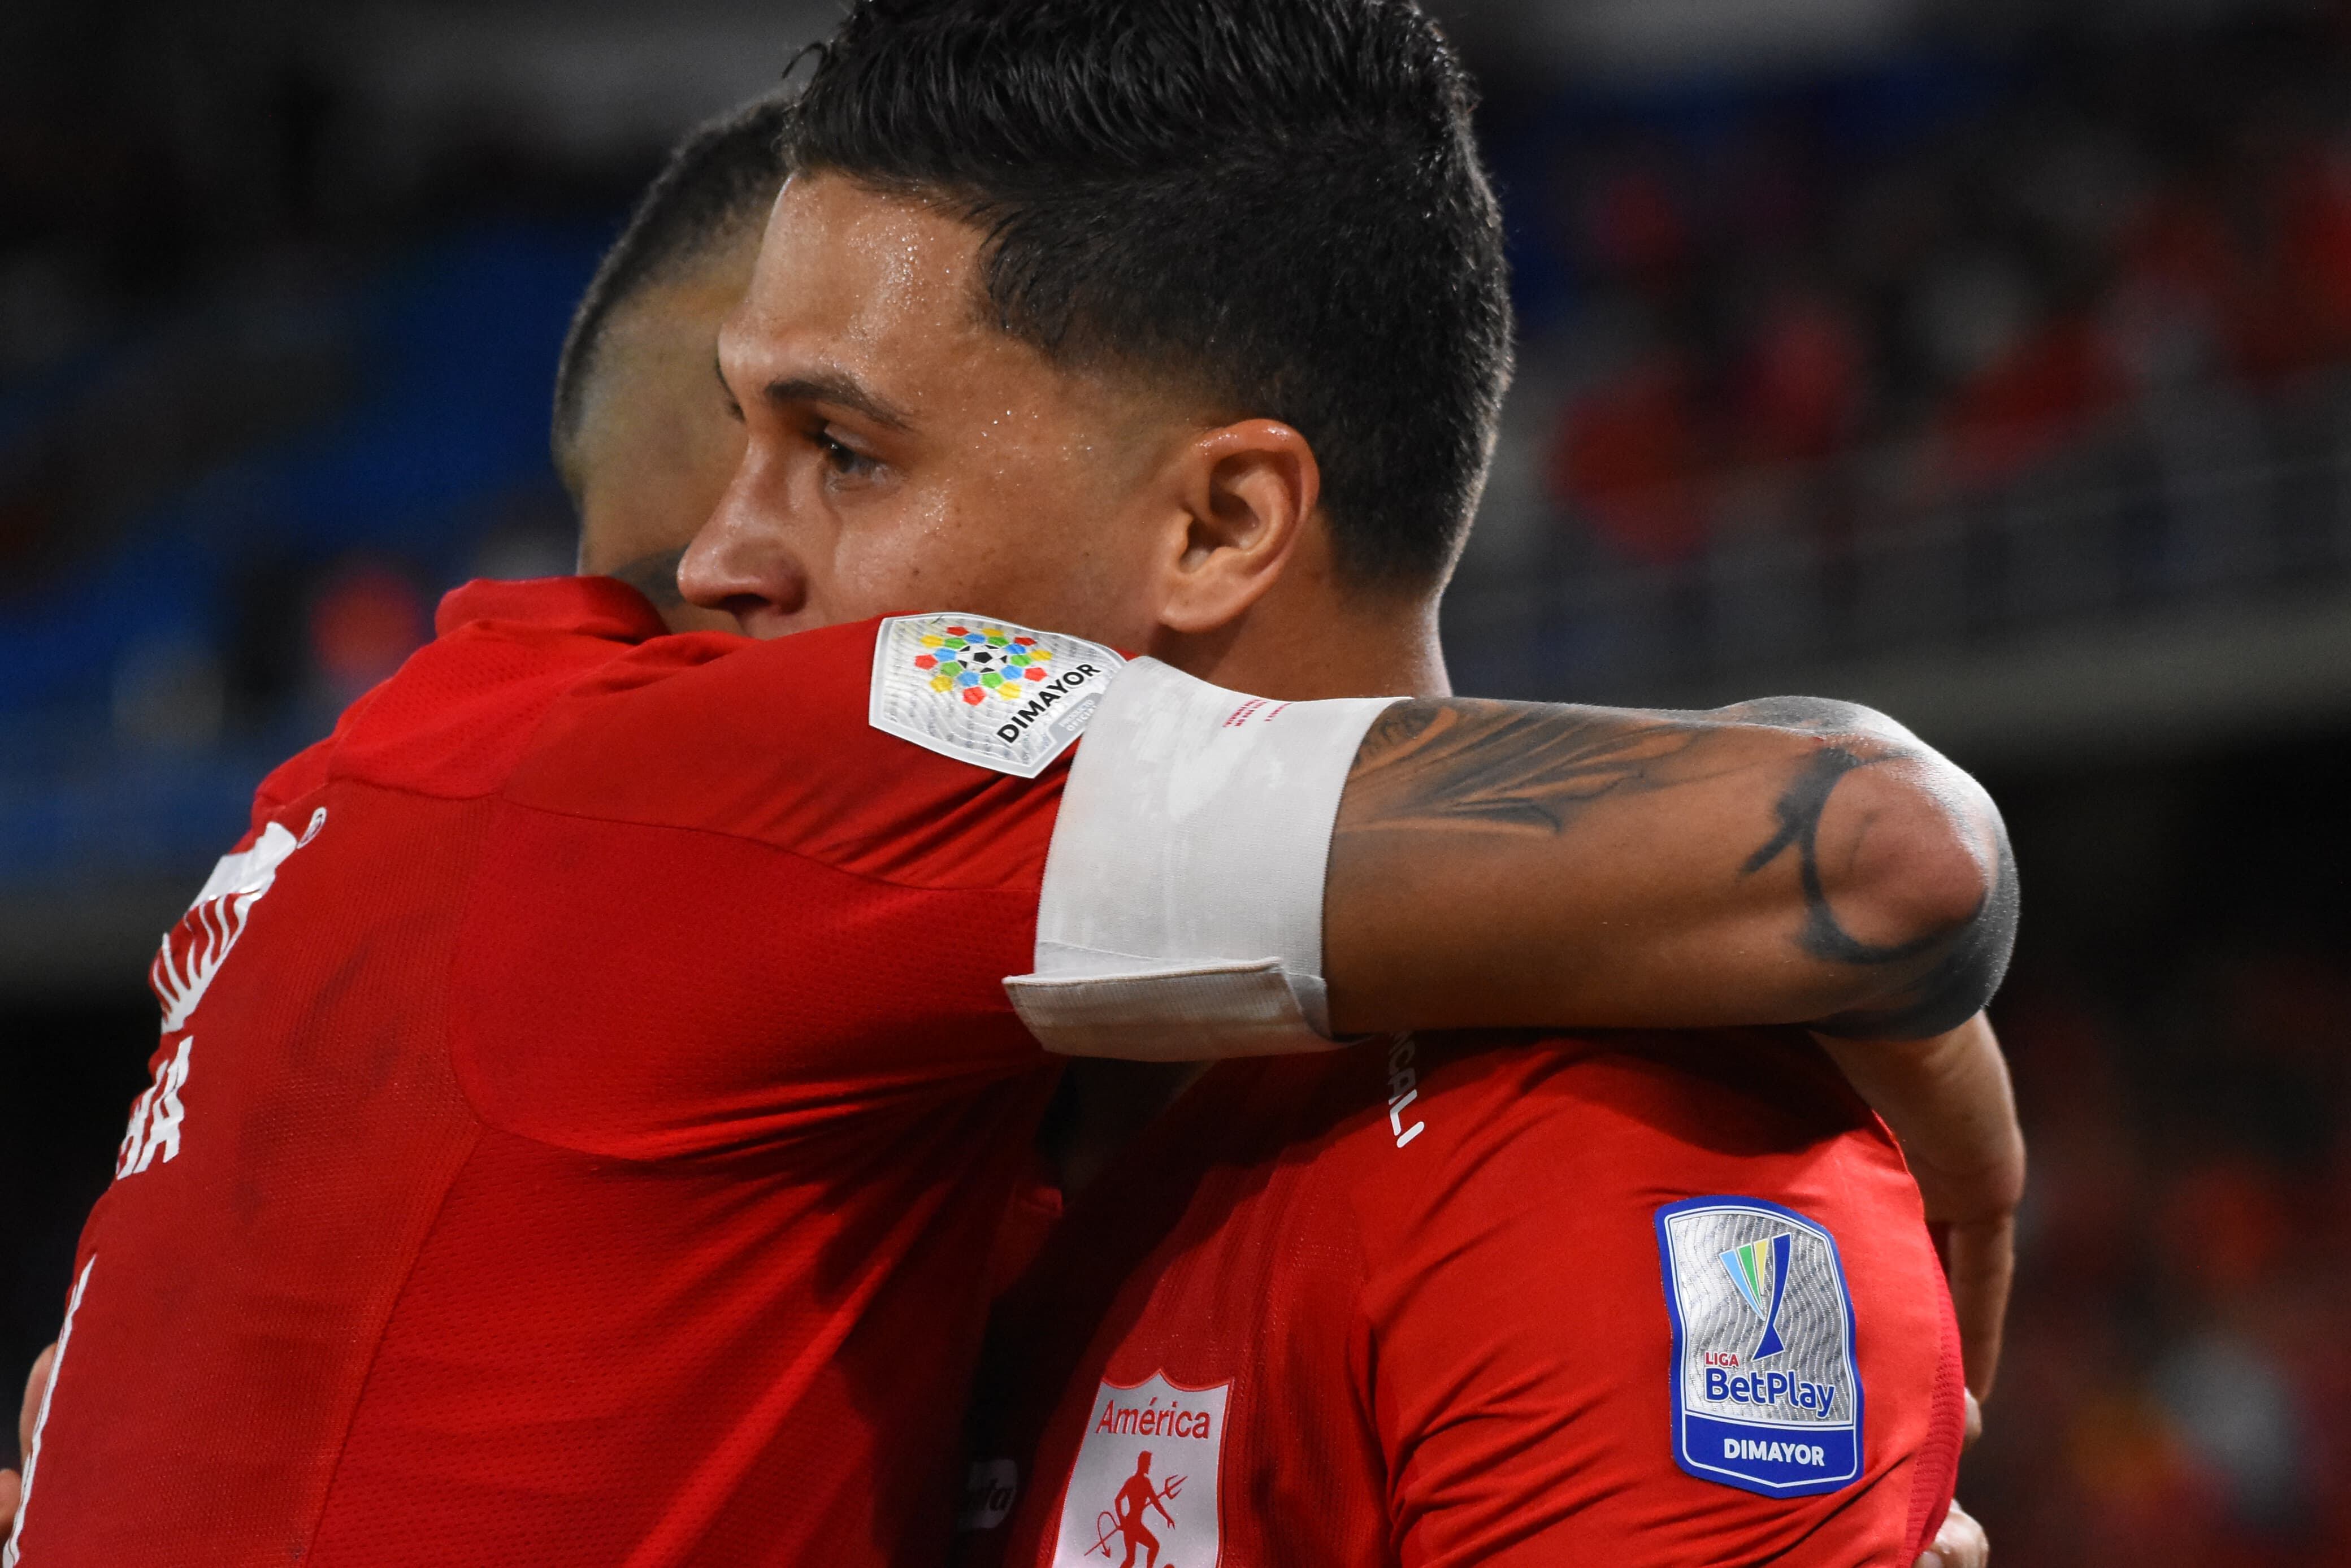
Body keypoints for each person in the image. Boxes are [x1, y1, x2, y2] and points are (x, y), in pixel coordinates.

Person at [4, 11, 2013, 1565]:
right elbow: (1869, 855)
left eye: (842, 453)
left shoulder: (1603, 1159)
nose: (719, 566)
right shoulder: (903, 1180)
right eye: (734, 450)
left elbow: (1879, 857)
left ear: (1224, 523)